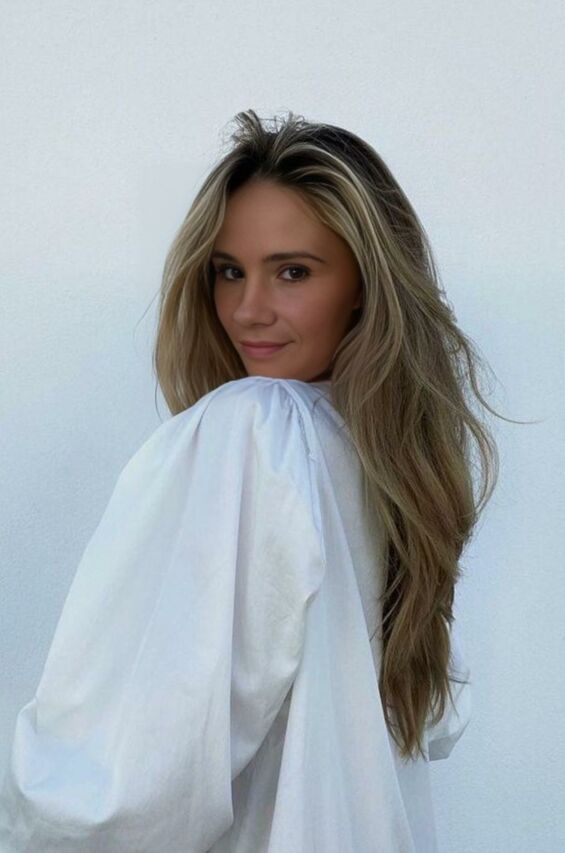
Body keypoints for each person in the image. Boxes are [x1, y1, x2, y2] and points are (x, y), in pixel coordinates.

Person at [0, 109, 500, 852]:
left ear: (365, 284)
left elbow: (134, 782)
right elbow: (433, 719)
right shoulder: (387, 463)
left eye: (293, 272)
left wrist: (38, 812)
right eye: (228, 271)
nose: (247, 310)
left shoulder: (254, 429)